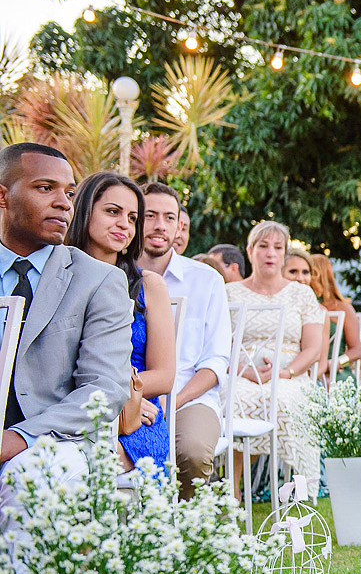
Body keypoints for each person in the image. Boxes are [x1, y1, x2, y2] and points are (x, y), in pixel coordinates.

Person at [0, 143, 131, 513]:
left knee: (31, 479)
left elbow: (105, 389)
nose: (64, 203)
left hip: (60, 444)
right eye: (45, 188)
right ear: (3, 196)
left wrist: (18, 438)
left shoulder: (98, 280)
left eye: (70, 193)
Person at [65, 171, 174, 471]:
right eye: (113, 211)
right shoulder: (56, 278)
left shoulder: (148, 286)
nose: (124, 224)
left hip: (134, 413)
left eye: (132, 218)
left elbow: (164, 375)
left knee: (101, 460)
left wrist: (125, 394)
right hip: (66, 406)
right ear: (84, 212)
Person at [137, 182, 231, 498]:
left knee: (190, 452)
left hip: (189, 398)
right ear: (136, 219)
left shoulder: (206, 280)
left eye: (169, 217)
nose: (160, 225)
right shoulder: (114, 275)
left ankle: (192, 537)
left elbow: (216, 362)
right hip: (126, 395)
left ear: (180, 225)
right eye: (150, 215)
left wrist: (173, 402)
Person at [227, 221, 325, 500]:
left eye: (278, 247)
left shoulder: (301, 293)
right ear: (249, 251)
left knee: (282, 401)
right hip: (242, 373)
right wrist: (245, 371)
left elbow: (313, 349)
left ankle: (299, 494)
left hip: (289, 376)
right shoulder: (230, 293)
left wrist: (286, 373)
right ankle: (232, 491)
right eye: (263, 246)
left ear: (284, 254)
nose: (270, 253)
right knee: (234, 399)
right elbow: (221, 347)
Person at [309, 253, 361, 383]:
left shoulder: (343, 308)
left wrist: (335, 363)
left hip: (334, 373)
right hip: (306, 369)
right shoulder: (304, 306)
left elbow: (356, 350)